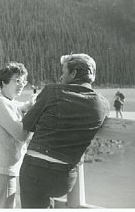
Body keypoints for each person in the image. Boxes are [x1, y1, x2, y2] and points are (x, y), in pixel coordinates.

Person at [20, 53, 110, 208]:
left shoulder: (52, 91)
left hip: (35, 171)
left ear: (74, 73)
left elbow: (28, 124)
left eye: (63, 72)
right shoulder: (103, 105)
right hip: (64, 179)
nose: (61, 77)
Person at [0, 62, 34, 208]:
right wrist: (34, 114)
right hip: (1, 172)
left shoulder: (7, 102)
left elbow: (19, 106)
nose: (21, 85)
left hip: (1, 171)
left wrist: (28, 106)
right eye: (16, 81)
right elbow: (21, 134)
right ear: (4, 81)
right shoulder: (0, 103)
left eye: (23, 82)